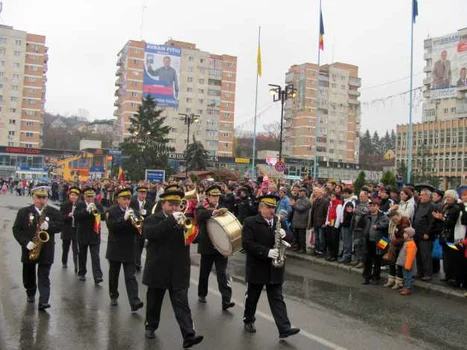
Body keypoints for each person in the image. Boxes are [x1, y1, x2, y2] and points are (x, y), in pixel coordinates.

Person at [142, 189, 204, 348]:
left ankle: (188, 334)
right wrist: (170, 220)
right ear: (163, 204)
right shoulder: (152, 219)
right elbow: (150, 234)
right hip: (158, 267)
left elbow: (198, 239)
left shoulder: (184, 219)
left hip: (179, 269)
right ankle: (151, 325)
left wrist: (192, 230)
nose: (175, 208)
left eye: (177, 205)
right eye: (171, 205)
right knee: (154, 301)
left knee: (181, 303)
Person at [242, 195, 300, 338]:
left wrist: (285, 233)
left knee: (277, 299)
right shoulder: (250, 222)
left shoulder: (279, 221)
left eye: (273, 207)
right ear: (261, 208)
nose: (272, 211)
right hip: (257, 266)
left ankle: (284, 328)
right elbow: (247, 244)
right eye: (268, 207)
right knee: (252, 297)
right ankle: (249, 320)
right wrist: (266, 252)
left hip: (275, 268)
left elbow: (292, 237)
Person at [12, 184, 63, 310]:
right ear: (33, 197)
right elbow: (16, 229)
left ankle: (44, 301)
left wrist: (49, 226)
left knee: (44, 275)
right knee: (29, 273)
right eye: (39, 197)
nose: (41, 200)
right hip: (29, 248)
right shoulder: (24, 212)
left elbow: (61, 226)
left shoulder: (53, 212)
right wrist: (25, 242)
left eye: (44, 197)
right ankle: (30, 292)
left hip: (46, 249)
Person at [195, 185, 235, 310]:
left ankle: (226, 300)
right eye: (213, 196)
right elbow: (200, 216)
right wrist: (213, 212)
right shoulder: (202, 207)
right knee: (204, 273)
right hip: (207, 246)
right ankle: (202, 294)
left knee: (222, 273)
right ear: (207, 197)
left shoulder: (223, 208)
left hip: (220, 247)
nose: (215, 198)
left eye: (217, 196)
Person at [105, 188, 144, 311]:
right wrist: (124, 219)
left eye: (128, 199)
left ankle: (134, 301)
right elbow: (112, 227)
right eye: (124, 199)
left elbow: (139, 231)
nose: (126, 201)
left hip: (129, 249)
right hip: (115, 248)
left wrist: (136, 223)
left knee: (130, 277)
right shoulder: (111, 211)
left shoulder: (135, 212)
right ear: (118, 199)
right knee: (114, 275)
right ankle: (113, 295)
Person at [74, 187, 104, 284]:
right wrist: (86, 210)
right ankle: (82, 272)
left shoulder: (98, 205)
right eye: (88, 196)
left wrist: (96, 210)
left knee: (95, 256)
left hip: (94, 235)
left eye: (92, 196)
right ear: (84, 197)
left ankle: (98, 276)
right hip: (82, 234)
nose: (90, 198)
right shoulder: (80, 205)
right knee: (82, 255)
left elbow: (103, 217)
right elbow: (76, 216)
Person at [432, 190, 461, 286]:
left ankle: (452, 277)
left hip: (452, 237)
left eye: (449, 197)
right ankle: (447, 274)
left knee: (452, 256)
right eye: (446, 197)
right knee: (445, 256)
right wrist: (439, 218)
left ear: (454, 198)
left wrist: (442, 218)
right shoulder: (446, 207)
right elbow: (443, 220)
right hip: (444, 236)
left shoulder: (456, 208)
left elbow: (451, 222)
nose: (447, 199)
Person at [362, 198, 389, 285]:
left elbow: (386, 224)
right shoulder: (367, 215)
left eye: (374, 206)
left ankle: (376, 277)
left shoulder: (382, 216)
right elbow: (360, 224)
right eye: (371, 206)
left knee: (378, 259)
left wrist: (378, 226)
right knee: (368, 260)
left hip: (380, 240)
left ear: (378, 207)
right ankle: (366, 277)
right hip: (369, 240)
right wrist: (362, 216)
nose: (372, 207)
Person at [412, 189, 435, 281]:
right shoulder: (419, 205)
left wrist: (427, 233)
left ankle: (427, 274)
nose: (420, 197)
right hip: (417, 233)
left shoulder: (432, 206)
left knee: (425, 255)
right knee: (418, 254)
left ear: (427, 196)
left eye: (421, 195)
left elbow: (432, 222)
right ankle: (420, 272)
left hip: (425, 234)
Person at [129, 186, 153, 271]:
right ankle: (137, 262)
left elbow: (153, 213)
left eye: (144, 194)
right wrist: (137, 213)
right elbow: (130, 210)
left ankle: (136, 260)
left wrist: (147, 212)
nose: (143, 195)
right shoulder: (132, 201)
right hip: (134, 226)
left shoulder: (149, 203)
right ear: (138, 193)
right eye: (141, 193)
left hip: (144, 226)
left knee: (141, 244)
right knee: (135, 244)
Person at [384, 212, 410, 289]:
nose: (395, 221)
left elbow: (403, 238)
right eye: (393, 220)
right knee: (391, 262)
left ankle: (399, 282)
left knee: (399, 264)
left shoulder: (404, 224)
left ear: (399, 216)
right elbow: (390, 234)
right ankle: (391, 280)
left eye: (396, 219)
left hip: (401, 247)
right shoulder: (393, 224)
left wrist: (394, 241)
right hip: (394, 246)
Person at [59, 186, 80, 273]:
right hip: (67, 229)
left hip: (76, 230)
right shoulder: (64, 205)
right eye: (72, 195)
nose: (73, 197)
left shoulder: (79, 205)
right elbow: (60, 217)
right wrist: (68, 215)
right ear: (69, 195)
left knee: (76, 249)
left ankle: (76, 266)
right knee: (65, 248)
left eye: (75, 195)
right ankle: (64, 262)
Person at [351, 190, 371, 268]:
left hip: (363, 228)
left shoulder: (368, 205)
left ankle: (362, 261)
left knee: (362, 245)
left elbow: (365, 212)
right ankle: (357, 259)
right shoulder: (359, 204)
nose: (360, 198)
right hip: (356, 227)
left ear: (366, 196)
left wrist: (356, 211)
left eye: (362, 196)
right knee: (356, 244)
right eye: (359, 196)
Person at [396, 227, 418, 296]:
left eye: (405, 233)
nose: (403, 234)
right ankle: (405, 287)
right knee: (405, 276)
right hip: (404, 264)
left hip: (408, 265)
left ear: (409, 235)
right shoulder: (407, 242)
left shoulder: (411, 244)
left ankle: (408, 288)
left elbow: (410, 256)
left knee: (408, 277)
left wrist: (407, 265)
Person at [309, 187, 329, 256]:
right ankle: (316, 250)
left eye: (317, 192)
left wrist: (324, 222)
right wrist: (311, 223)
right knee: (316, 237)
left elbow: (326, 213)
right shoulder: (315, 201)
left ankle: (321, 251)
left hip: (321, 222)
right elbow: (312, 213)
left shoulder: (325, 201)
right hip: (315, 222)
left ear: (320, 193)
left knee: (321, 238)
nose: (315, 193)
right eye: (315, 192)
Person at [291, 188, 311, 253]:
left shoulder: (307, 201)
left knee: (302, 237)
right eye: (299, 191)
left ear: (304, 192)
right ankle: (297, 247)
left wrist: (294, 205)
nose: (299, 193)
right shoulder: (298, 200)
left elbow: (301, 208)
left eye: (301, 191)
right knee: (296, 236)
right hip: (296, 221)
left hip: (302, 221)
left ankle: (303, 248)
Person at [338, 188, 356, 264]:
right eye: (343, 193)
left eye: (345, 193)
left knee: (347, 241)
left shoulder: (350, 202)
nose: (343, 195)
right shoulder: (346, 201)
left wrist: (345, 221)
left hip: (347, 225)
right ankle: (345, 254)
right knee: (345, 241)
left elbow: (349, 214)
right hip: (344, 223)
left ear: (349, 194)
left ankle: (347, 256)